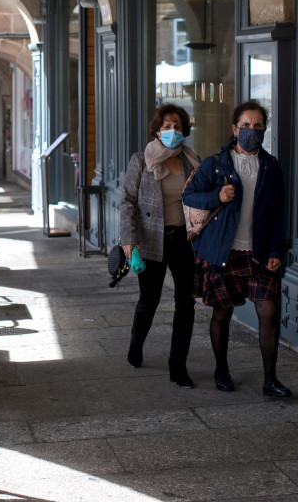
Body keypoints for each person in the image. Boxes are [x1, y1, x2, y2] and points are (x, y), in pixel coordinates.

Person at [182, 101, 290, 397]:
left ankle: (270, 380)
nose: (251, 131)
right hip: (223, 252)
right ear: (234, 129)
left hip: (258, 252)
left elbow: (279, 215)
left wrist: (277, 251)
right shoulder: (215, 164)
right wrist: (217, 195)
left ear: (265, 130)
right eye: (245, 126)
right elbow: (190, 195)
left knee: (268, 310)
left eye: (257, 126)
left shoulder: (271, 167)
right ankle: (221, 370)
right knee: (222, 313)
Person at [120, 104, 201, 388]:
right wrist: (129, 240)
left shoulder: (191, 161)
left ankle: (177, 365)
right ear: (156, 130)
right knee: (149, 301)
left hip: (183, 240)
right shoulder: (141, 160)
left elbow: (199, 200)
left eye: (177, 126)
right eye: (167, 126)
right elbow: (128, 201)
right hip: (151, 239)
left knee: (186, 304)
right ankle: (135, 345)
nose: (172, 132)